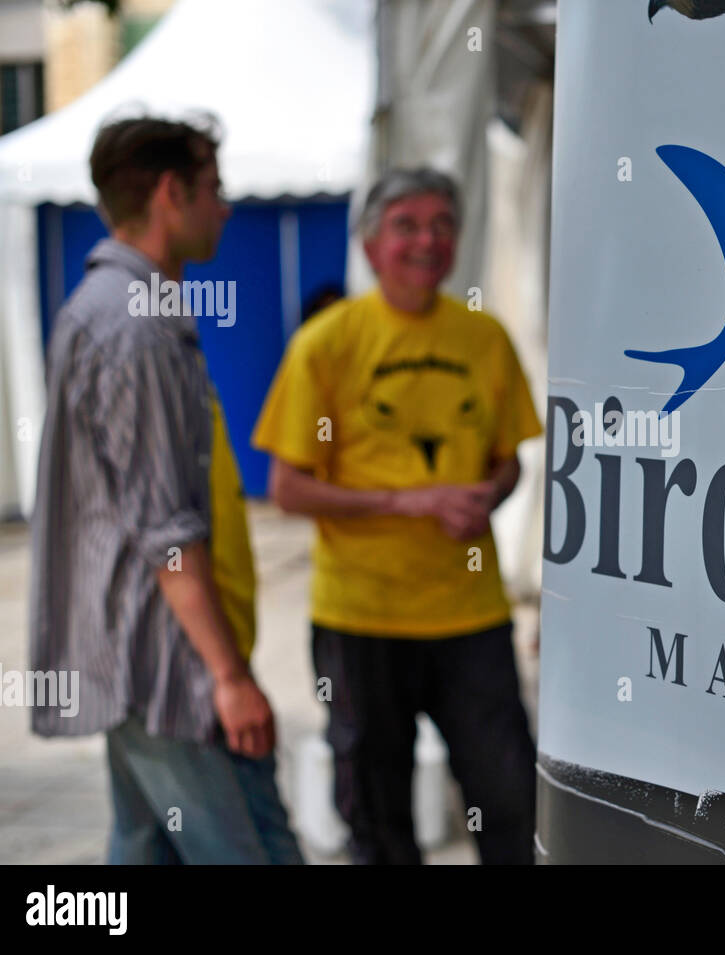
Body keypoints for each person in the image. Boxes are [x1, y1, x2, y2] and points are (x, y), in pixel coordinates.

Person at [28, 114, 303, 865]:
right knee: (252, 853)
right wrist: (230, 675)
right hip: (166, 666)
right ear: (168, 192)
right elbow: (165, 532)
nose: (226, 207)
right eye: (214, 188)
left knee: (145, 848)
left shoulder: (109, 307)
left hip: (140, 657)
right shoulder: (134, 326)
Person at [252, 167, 542, 865]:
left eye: (442, 224)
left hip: (469, 613)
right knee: (377, 814)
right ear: (371, 244)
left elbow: (510, 459)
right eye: (406, 225)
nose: (427, 240)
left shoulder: (486, 338)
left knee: (510, 801)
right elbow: (289, 487)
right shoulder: (326, 343)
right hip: (361, 616)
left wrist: (487, 494)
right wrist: (409, 501)